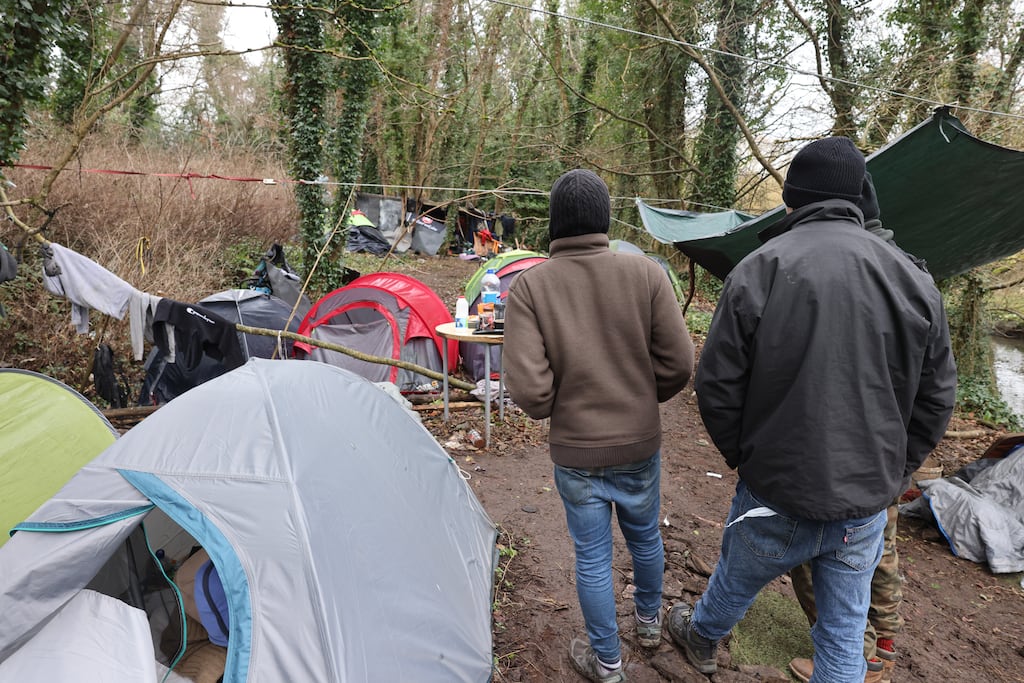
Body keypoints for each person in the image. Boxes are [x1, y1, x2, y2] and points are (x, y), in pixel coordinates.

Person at [666, 137, 957, 682]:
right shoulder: (914, 280)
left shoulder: (759, 268)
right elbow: (937, 396)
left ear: (792, 200)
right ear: (860, 199)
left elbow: (716, 385)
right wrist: (893, 470)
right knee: (844, 633)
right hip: (864, 503)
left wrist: (746, 457)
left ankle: (702, 639)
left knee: (735, 576)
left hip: (774, 487)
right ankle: (706, 636)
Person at [503, 168, 695, 683]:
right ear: (605, 220)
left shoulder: (529, 287)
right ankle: (651, 625)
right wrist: (638, 398)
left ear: (554, 224)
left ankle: (608, 665)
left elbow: (528, 389)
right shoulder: (647, 275)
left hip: (575, 452)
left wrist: (558, 408)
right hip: (639, 443)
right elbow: (679, 363)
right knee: (646, 538)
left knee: (592, 559)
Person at [787, 172, 916, 683]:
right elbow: (933, 381)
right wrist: (906, 460)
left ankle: (848, 657)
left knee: (819, 554)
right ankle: (882, 645)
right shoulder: (909, 273)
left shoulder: (836, 270)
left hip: (842, 447)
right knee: (880, 547)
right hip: (890, 449)